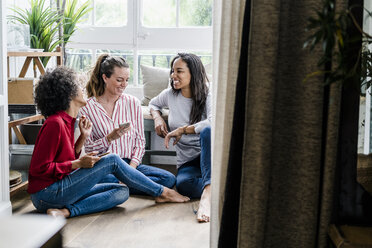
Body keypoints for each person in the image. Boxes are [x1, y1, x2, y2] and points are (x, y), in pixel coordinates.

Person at [28, 67, 189, 218]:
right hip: (46, 194)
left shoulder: (68, 121)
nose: (82, 87)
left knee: (121, 191)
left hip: (60, 189)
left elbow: (64, 158)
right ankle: (162, 192)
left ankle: (65, 212)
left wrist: (83, 137)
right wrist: (78, 164)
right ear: (67, 92)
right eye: (77, 85)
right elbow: (40, 169)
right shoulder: (54, 123)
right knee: (111, 159)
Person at [80, 54, 177, 195]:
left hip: (130, 164)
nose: (124, 84)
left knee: (168, 179)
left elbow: (140, 141)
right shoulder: (87, 107)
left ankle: (119, 187)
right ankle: (132, 186)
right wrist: (109, 138)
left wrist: (130, 171)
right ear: (105, 77)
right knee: (101, 178)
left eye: (126, 80)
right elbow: (89, 148)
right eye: (119, 80)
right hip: (104, 167)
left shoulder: (133, 103)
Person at [149, 53, 212, 222]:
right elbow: (153, 103)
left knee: (208, 131)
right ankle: (215, 186)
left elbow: (213, 121)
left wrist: (183, 130)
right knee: (184, 186)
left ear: (193, 73)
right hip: (189, 161)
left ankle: (207, 196)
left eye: (179, 71)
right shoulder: (170, 94)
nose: (173, 75)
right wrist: (157, 118)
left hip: (210, 155)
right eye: (172, 71)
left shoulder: (208, 92)